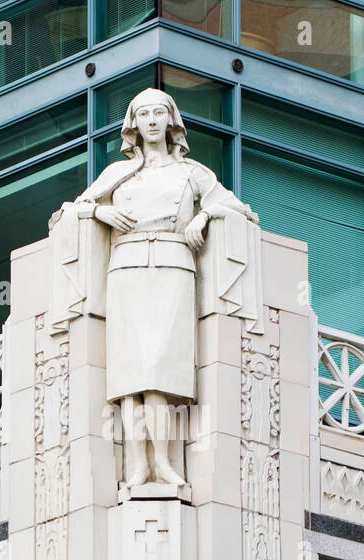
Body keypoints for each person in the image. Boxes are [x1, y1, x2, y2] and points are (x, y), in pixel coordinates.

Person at [51, 88, 257, 486]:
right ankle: (136, 465)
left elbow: (240, 209)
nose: (150, 120)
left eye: (158, 113)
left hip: (174, 265)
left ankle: (162, 460)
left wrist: (203, 216)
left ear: (170, 121)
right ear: (133, 124)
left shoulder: (192, 173)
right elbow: (66, 212)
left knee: (162, 371)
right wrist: (100, 211)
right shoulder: (116, 174)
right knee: (130, 376)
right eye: (142, 113)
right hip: (126, 268)